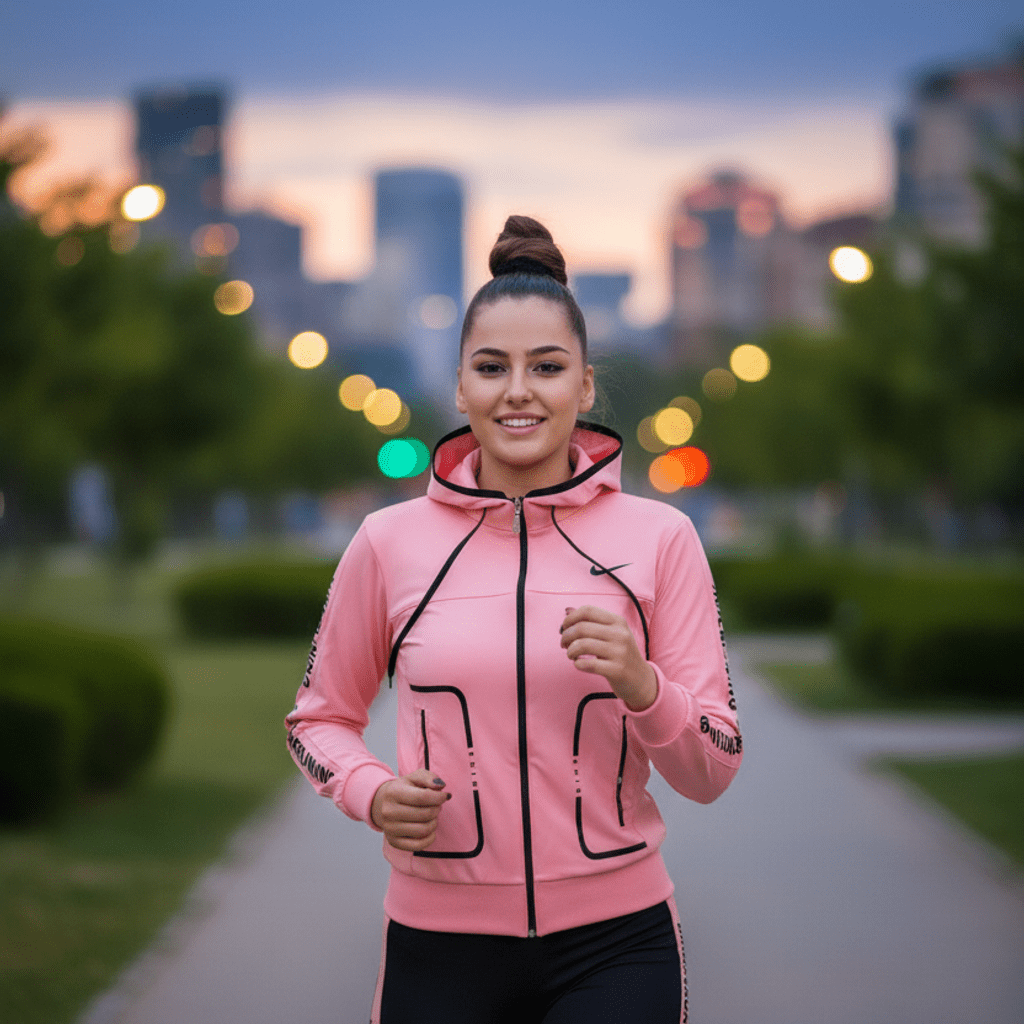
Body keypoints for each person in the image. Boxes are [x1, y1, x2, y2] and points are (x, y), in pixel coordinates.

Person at [285, 215, 742, 1024]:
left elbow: (715, 767)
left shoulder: (661, 539)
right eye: (492, 367)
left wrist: (643, 684)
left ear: (586, 386)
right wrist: (369, 791)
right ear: (460, 387)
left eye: (548, 366)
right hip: (437, 944)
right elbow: (315, 722)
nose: (519, 390)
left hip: (618, 944)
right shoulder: (388, 543)